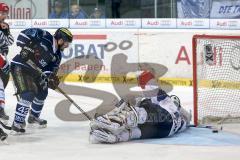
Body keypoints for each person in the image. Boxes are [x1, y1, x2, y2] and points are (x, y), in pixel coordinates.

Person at [89, 70, 191, 143]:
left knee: (142, 109)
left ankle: (116, 122)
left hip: (164, 122)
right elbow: (188, 117)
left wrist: (117, 107)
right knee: (135, 132)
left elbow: (149, 85)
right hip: (165, 132)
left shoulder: (163, 98)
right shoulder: (182, 121)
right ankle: (115, 137)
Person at [10, 27, 73, 133]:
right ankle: (17, 123)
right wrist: (25, 47)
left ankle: (33, 116)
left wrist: (51, 78)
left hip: (35, 72)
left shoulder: (57, 55)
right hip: (20, 66)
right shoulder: (44, 35)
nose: (67, 46)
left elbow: (50, 70)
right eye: (67, 43)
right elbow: (23, 35)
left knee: (43, 92)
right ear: (61, 39)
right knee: (28, 93)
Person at [0, 2, 14, 141]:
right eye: (2, 13)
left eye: (5, 13)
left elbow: (10, 42)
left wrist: (6, 31)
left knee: (3, 84)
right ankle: (0, 109)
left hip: (2, 60)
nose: (4, 15)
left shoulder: (5, 26)